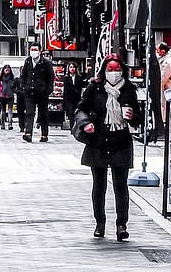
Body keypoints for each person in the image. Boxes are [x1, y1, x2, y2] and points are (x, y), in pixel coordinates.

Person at [76, 54, 140, 240]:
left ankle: (122, 224)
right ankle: (100, 223)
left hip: (120, 141)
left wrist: (131, 116)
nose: (113, 73)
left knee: (121, 186)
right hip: (98, 140)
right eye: (110, 69)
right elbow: (80, 108)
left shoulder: (129, 90)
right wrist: (86, 123)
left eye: (116, 69)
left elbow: (138, 118)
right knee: (99, 185)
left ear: (123, 70)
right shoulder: (94, 88)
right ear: (104, 70)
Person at [20, 42, 55, 142]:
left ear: (40, 51)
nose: (33, 52)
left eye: (35, 50)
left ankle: (44, 134)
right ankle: (28, 133)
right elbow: (24, 76)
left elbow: (50, 76)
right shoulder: (27, 61)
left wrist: (49, 89)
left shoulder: (45, 62)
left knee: (43, 113)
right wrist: (23, 87)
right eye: (32, 50)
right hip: (29, 91)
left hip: (42, 91)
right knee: (30, 112)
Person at [61, 63, 84, 129]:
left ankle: (77, 127)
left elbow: (80, 87)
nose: (72, 69)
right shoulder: (66, 78)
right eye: (70, 67)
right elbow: (66, 88)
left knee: (77, 112)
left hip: (77, 98)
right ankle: (72, 127)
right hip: (69, 98)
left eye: (73, 67)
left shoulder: (79, 77)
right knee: (70, 113)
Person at [0, 64, 17, 130]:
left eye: (8, 69)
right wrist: (1, 90)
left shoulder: (12, 77)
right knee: (3, 111)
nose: (7, 71)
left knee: (10, 110)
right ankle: (3, 124)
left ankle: (9, 124)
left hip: (10, 95)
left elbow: (14, 84)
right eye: (6, 69)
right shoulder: (0, 76)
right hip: (3, 95)